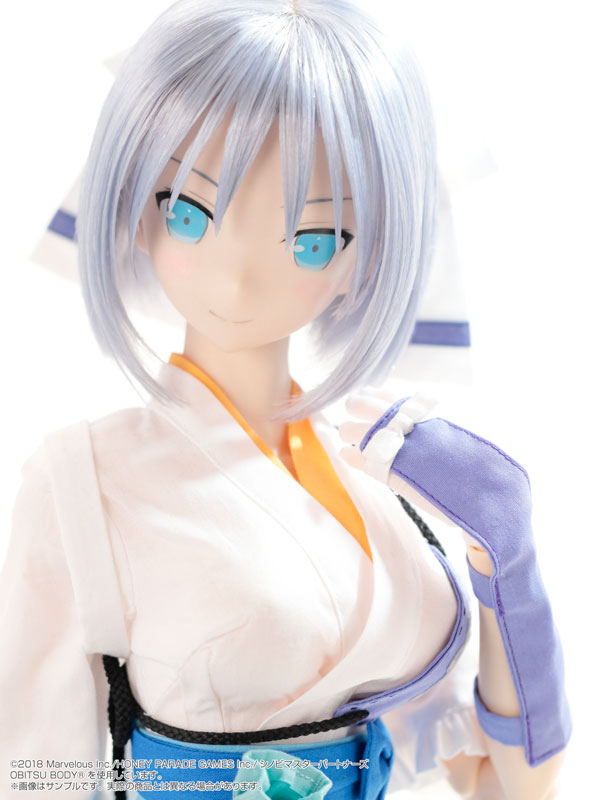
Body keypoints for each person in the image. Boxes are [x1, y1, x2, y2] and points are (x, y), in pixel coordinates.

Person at [0, 1, 569, 798]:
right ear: (134, 205)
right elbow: (38, 772)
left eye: (311, 240)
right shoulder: (80, 478)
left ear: (368, 255)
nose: (238, 278)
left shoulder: (379, 464)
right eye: (189, 212)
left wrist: (506, 559)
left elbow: (511, 784)